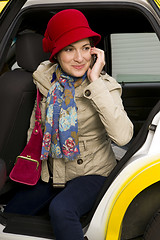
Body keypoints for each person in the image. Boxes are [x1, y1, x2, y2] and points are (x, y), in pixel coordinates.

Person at [4, 9, 133, 240]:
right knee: (12, 213)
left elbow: (123, 137)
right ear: (56, 54)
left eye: (85, 48)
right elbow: (35, 129)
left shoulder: (105, 85)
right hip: (54, 172)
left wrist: (95, 82)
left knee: (61, 210)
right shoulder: (44, 82)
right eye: (69, 49)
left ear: (94, 51)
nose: (80, 58)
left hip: (94, 172)